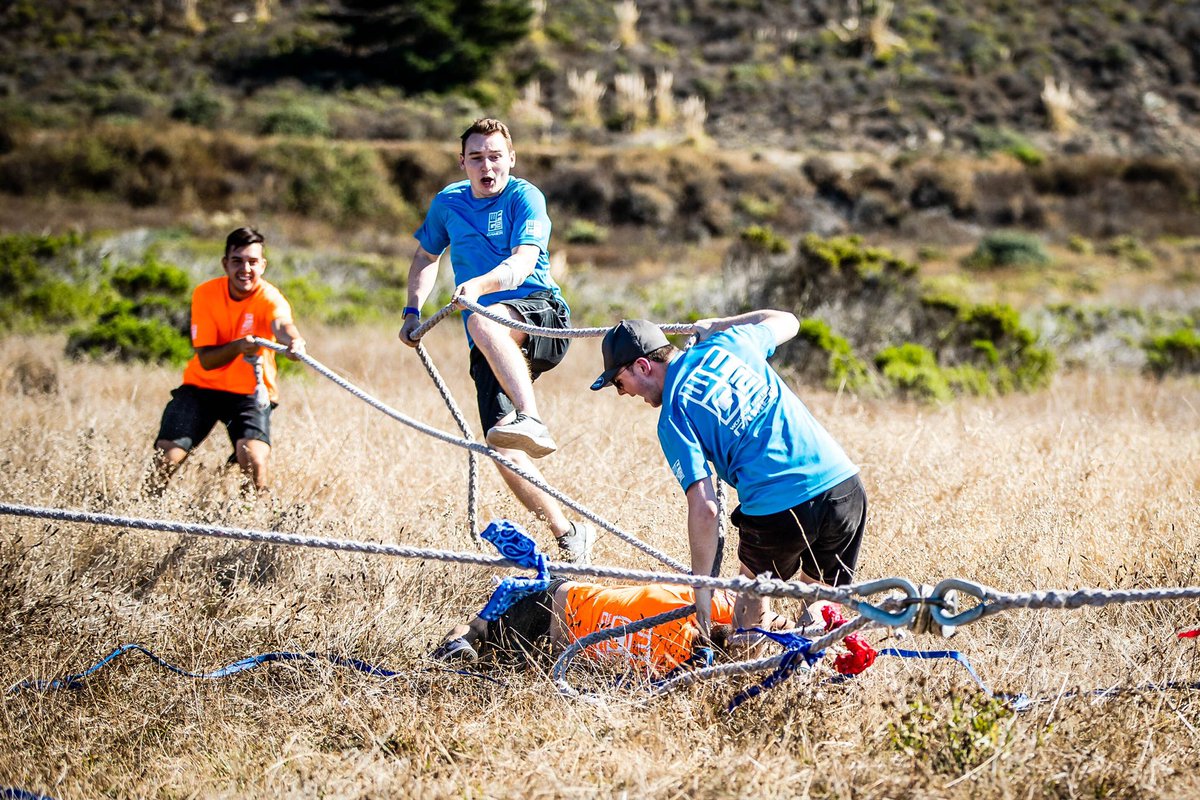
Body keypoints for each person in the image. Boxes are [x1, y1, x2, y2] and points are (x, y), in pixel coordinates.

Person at [589, 311, 867, 640]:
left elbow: (705, 508)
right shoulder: (730, 342)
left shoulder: (673, 415)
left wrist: (702, 595)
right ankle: (816, 665)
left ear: (642, 366)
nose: (622, 393)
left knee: (750, 610)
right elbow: (788, 320)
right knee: (819, 603)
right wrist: (722, 325)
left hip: (779, 508)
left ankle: (749, 669)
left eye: (619, 382)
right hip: (843, 487)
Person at [398, 117, 594, 563]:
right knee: (500, 445)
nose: (487, 167)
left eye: (495, 157)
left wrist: (480, 286)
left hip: (540, 312)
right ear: (462, 162)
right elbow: (426, 255)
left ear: (511, 158)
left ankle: (532, 419)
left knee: (482, 323)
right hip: (487, 336)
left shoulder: (526, 197)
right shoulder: (448, 203)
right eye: (476, 158)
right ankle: (568, 535)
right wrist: (412, 311)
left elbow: (523, 262)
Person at [147, 227, 306, 496]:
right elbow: (207, 360)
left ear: (263, 265)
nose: (245, 269)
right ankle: (143, 507)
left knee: (254, 461)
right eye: (237, 261)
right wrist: (238, 347)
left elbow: (282, 325)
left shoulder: (271, 298)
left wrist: (294, 342)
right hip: (201, 388)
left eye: (252, 262)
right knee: (167, 456)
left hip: (250, 393)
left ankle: (253, 514)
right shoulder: (205, 294)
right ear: (225, 264)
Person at [431, 578, 794, 676]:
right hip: (551, 632)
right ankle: (462, 641)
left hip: (555, 605)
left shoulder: (701, 604)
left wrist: (791, 630)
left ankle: (460, 640)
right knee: (483, 636)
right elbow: (770, 622)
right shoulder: (672, 668)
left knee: (480, 633)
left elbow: (766, 619)